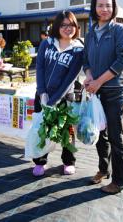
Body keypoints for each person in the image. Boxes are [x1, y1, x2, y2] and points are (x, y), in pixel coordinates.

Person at [83, 0, 123, 194]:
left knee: (115, 135)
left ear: (114, 8)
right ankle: (104, 170)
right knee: (100, 133)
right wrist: (88, 76)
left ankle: (120, 181)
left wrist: (98, 81)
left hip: (114, 90)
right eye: (100, 5)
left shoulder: (119, 30)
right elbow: (86, 60)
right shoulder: (90, 33)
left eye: (108, 6)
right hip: (96, 90)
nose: (104, 9)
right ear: (94, 8)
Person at [33, 10, 84, 176]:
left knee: (67, 131)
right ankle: (40, 161)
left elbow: (71, 78)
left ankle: (68, 162)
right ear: (57, 27)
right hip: (42, 96)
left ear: (76, 27)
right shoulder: (47, 43)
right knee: (42, 129)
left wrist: (54, 99)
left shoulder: (78, 49)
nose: (67, 28)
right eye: (63, 25)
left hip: (65, 98)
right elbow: (39, 67)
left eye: (71, 25)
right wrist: (42, 93)